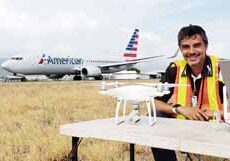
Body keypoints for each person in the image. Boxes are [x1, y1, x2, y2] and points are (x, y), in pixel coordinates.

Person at [151, 24, 225, 161]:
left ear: (206, 46)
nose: (191, 51)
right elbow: (153, 103)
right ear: (180, 49)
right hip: (183, 126)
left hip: (218, 128)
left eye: (197, 45)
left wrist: (215, 113)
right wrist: (179, 109)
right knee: (156, 115)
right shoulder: (175, 69)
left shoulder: (223, 67)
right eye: (186, 47)